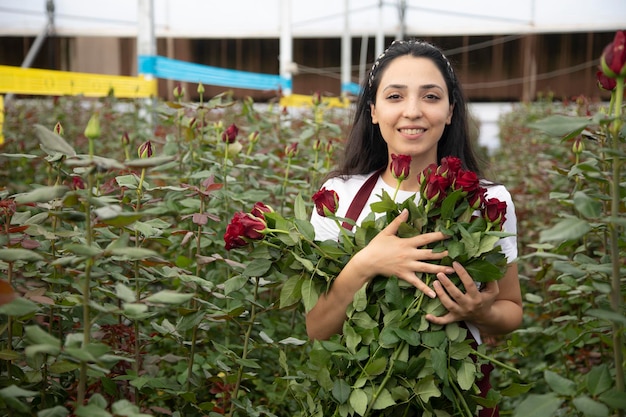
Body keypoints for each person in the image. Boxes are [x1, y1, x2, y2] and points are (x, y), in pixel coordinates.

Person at [306, 39, 522, 416]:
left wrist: (480, 312)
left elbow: (511, 309)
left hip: (456, 397)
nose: (412, 111)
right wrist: (366, 263)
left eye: (431, 97)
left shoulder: (487, 201)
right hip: (363, 397)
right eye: (394, 96)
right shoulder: (339, 197)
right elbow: (317, 328)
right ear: (373, 111)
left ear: (451, 111)